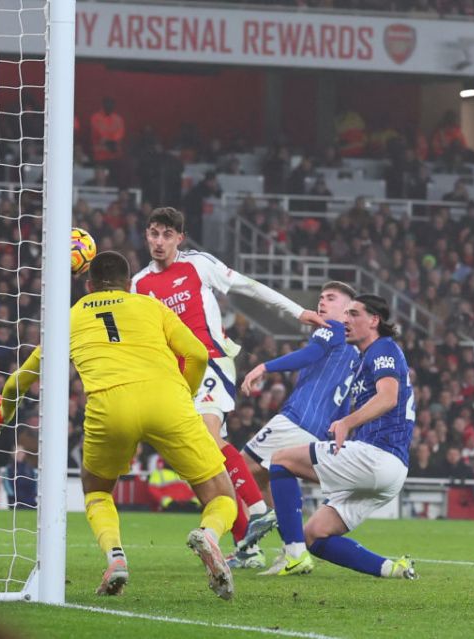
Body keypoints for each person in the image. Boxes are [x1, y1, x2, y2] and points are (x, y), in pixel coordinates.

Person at [0, 251, 238, 599]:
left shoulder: (70, 316)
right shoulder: (151, 306)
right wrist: (184, 393)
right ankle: (208, 534)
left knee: (98, 491)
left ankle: (115, 557)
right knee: (221, 495)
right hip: (168, 401)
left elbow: (22, 377)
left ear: (89, 285)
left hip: (110, 405)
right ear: (129, 283)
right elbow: (199, 354)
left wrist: (5, 409)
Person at [130, 207, 328, 562]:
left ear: (179, 238)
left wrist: (297, 312)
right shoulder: (139, 285)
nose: (159, 242)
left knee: (208, 435)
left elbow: (250, 287)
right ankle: (246, 547)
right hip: (175, 377)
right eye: (153, 234)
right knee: (200, 461)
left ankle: (257, 511)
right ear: (146, 235)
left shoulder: (198, 264)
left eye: (166, 235)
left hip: (210, 360)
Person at [241, 294, 418, 581]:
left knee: (281, 459)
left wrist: (347, 422)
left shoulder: (383, 348)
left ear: (374, 320)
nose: (346, 320)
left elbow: (388, 397)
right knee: (316, 534)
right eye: (345, 314)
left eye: (354, 314)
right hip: (391, 470)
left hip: (376, 456)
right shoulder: (363, 358)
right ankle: (393, 569)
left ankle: (294, 554)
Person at [233, 281, 359, 573]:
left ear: (347, 311)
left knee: (238, 469)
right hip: (316, 428)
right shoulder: (355, 351)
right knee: (267, 478)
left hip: (297, 418)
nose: (322, 302)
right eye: (321, 298)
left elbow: (308, 356)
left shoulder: (333, 329)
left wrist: (264, 367)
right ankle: (293, 550)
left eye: (331, 298)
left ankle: (251, 545)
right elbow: (343, 401)